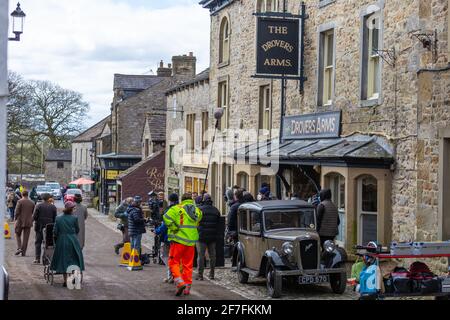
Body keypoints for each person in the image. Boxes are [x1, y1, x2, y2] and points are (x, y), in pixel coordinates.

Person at [164, 193, 203, 296]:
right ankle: (187, 288)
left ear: (182, 200)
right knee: (188, 265)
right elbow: (198, 221)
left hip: (178, 241)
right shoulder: (197, 211)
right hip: (191, 242)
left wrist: (174, 228)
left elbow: (166, 217)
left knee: (173, 262)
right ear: (191, 200)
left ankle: (180, 283)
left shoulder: (176, 208)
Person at [50, 201, 85, 288]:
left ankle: (66, 281)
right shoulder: (74, 218)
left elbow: (55, 231)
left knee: (63, 260)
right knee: (74, 259)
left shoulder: (58, 218)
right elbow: (77, 230)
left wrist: (58, 236)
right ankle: (74, 279)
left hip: (62, 240)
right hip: (73, 240)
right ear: (71, 209)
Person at [155, 193, 179, 283]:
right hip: (179, 237)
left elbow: (165, 225)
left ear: (170, 200)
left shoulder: (169, 210)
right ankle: (173, 276)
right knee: (175, 257)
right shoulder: (181, 209)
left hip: (168, 237)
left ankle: (171, 275)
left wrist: (157, 231)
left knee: (164, 255)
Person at [196, 194, 220, 281]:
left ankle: (200, 275)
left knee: (201, 256)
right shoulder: (216, 210)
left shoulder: (200, 209)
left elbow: (196, 222)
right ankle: (212, 274)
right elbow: (218, 224)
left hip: (201, 236)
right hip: (212, 236)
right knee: (212, 256)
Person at [32, 193, 57, 264]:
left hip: (39, 227)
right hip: (49, 227)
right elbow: (55, 218)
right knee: (47, 243)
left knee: (38, 242)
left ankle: (37, 258)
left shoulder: (38, 206)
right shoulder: (53, 207)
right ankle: (46, 258)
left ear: (42, 198)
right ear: (49, 198)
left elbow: (34, 217)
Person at [14, 191, 35, 256]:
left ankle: (19, 248)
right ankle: (23, 253)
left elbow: (17, 211)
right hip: (28, 221)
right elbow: (33, 212)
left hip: (20, 221)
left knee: (17, 234)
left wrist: (15, 219)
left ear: (22, 194)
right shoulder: (32, 202)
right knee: (26, 238)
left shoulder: (19, 201)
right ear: (27, 194)